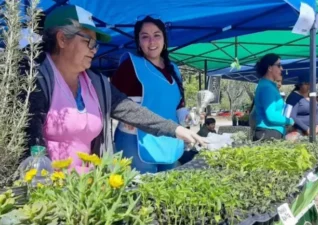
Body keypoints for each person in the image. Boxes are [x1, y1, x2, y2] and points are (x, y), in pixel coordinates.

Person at [24, 5, 204, 174]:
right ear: (62, 39)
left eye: (96, 44)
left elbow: (130, 110)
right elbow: (27, 144)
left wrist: (176, 130)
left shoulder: (96, 83)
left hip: (85, 188)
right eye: (89, 41)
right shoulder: (34, 81)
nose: (94, 50)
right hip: (49, 190)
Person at [111, 16, 192, 173]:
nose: (152, 42)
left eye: (156, 35)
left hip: (169, 140)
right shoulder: (130, 66)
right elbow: (113, 102)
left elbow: (178, 105)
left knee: (167, 191)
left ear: (164, 39)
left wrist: (187, 115)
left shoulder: (173, 69)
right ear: (139, 42)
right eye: (145, 37)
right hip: (136, 141)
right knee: (142, 193)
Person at [253, 53, 294, 141]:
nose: (281, 68)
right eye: (279, 65)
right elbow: (271, 116)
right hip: (268, 134)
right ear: (270, 68)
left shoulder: (268, 85)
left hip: (269, 133)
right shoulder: (267, 87)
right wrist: (290, 121)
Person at [284, 76, 318, 140]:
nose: (309, 86)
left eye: (310, 84)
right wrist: (306, 129)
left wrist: (317, 126)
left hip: (313, 131)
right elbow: (292, 116)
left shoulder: (312, 97)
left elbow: (316, 113)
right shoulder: (294, 97)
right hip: (298, 131)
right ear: (300, 85)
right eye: (306, 84)